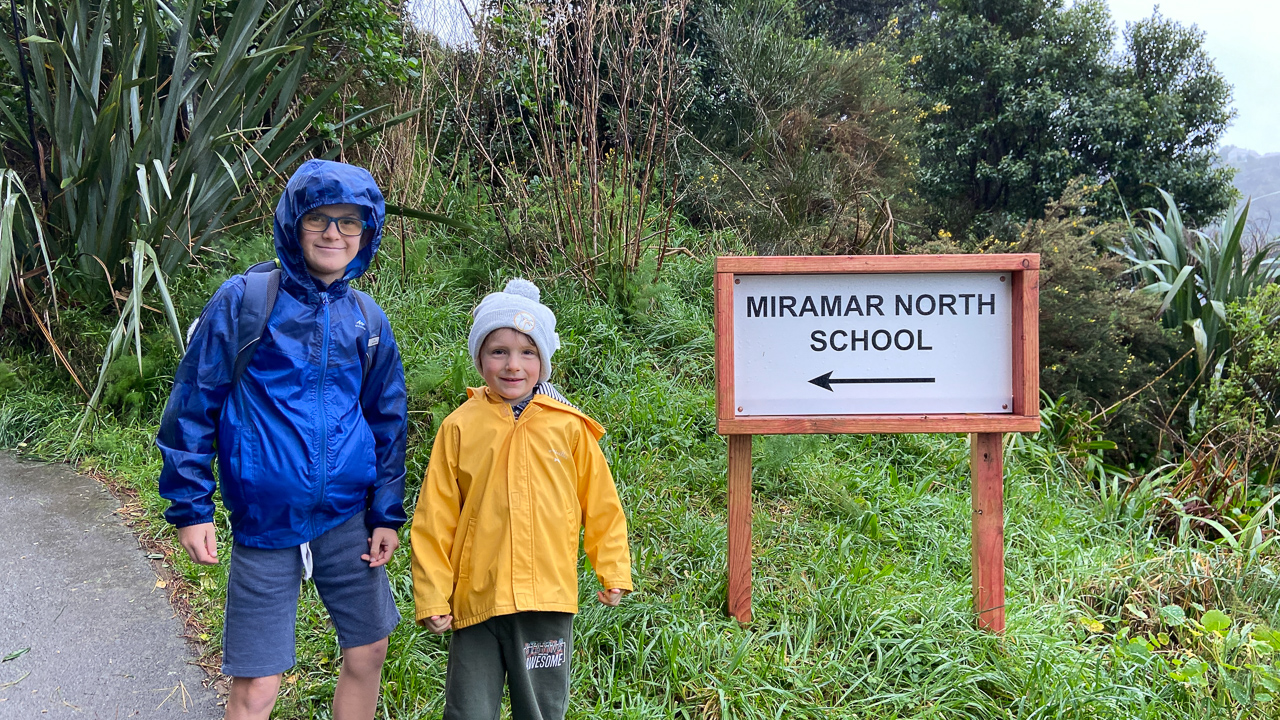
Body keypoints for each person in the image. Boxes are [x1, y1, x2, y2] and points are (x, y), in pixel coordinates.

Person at [156, 159, 407, 720]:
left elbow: (387, 421)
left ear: (366, 233)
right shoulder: (245, 300)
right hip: (265, 524)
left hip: (347, 517)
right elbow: (193, 404)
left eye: (349, 221)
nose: (333, 234)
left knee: (369, 651)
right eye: (319, 218)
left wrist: (386, 514)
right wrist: (191, 508)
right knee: (256, 688)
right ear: (294, 222)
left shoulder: (367, 320)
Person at [410, 278, 633, 720]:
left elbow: (602, 505)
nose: (513, 365)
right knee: (468, 712)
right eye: (499, 351)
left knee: (541, 711)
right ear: (479, 358)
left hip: (546, 601)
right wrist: (433, 595)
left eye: (528, 352)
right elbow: (434, 518)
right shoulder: (459, 427)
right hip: (476, 601)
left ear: (543, 361)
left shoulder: (569, 428)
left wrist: (612, 568)